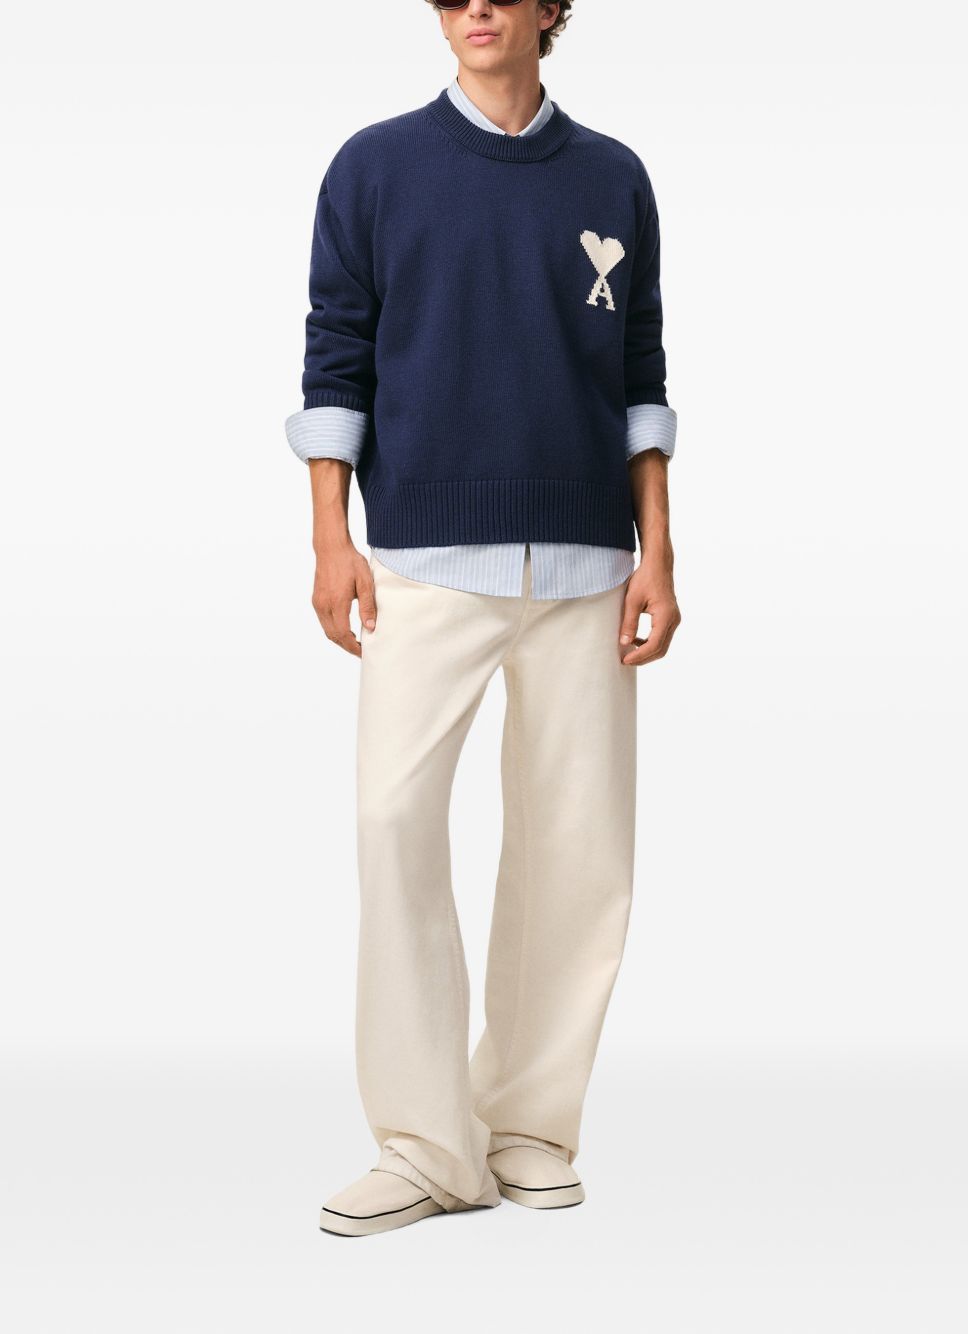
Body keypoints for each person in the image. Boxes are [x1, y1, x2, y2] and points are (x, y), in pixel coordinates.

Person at [284, 0, 681, 1238]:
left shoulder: (614, 177)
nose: (475, 7)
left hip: (587, 563)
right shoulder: (375, 167)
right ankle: (423, 1143)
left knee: (577, 850)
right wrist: (329, 535)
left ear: (553, 7)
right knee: (392, 820)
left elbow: (640, 373)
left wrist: (658, 549)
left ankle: (527, 1127)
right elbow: (335, 353)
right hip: (421, 560)